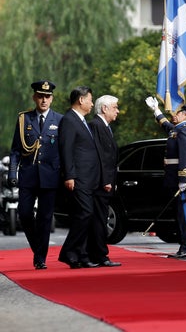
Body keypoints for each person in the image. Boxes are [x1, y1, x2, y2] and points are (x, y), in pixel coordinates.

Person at [8, 80, 63, 270]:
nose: (44, 100)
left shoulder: (59, 120)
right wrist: (12, 172)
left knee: (45, 218)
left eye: (47, 96)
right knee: (24, 214)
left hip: (50, 176)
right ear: (34, 97)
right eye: (40, 96)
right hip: (28, 175)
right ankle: (37, 249)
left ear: (52, 99)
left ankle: (40, 258)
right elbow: (16, 150)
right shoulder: (25, 119)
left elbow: (64, 151)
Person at [145, 97, 186, 259]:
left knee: (184, 215)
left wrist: (183, 180)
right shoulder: (176, 130)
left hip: (180, 180)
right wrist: (156, 110)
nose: (173, 116)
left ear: (184, 115)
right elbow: (165, 124)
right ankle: (183, 246)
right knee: (179, 215)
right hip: (173, 179)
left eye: (176, 113)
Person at [58, 86, 101, 269]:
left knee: (86, 215)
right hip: (78, 177)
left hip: (88, 178)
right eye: (90, 99)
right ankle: (68, 252)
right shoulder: (69, 120)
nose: (92, 104)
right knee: (85, 213)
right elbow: (66, 149)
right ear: (81, 100)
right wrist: (69, 175)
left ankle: (80, 256)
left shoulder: (81, 120)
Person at [87, 95, 122, 267]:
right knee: (99, 219)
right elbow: (99, 156)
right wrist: (105, 180)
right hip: (100, 182)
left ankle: (98, 254)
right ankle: (99, 255)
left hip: (105, 181)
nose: (118, 111)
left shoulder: (105, 126)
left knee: (101, 218)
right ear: (104, 108)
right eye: (115, 107)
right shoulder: (95, 125)